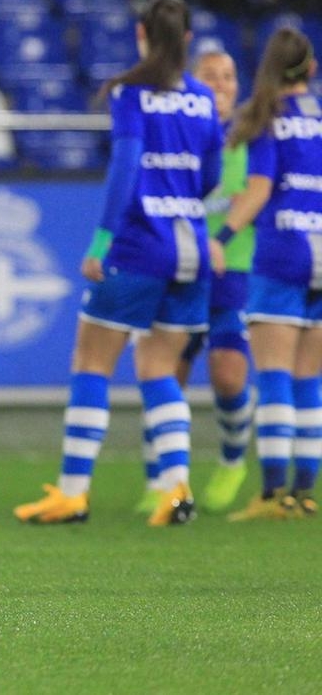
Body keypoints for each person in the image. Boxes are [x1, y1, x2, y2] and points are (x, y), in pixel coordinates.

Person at [15, 0, 221, 528]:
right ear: (189, 41)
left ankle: (73, 493)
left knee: (91, 363)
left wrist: (102, 242)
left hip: (139, 246)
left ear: (141, 35)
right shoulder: (202, 100)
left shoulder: (131, 94)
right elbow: (212, 175)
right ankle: (176, 487)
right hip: (191, 247)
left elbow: (125, 169)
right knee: (159, 370)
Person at [136, 45, 256, 515]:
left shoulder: (252, 135)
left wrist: (222, 237)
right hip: (181, 263)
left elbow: (256, 195)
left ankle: (231, 461)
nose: (222, 85)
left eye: (228, 76)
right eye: (211, 77)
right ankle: (161, 476)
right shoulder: (178, 128)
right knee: (169, 372)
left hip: (235, 269)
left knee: (228, 376)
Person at [216, 27, 322, 520]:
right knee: (310, 380)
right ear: (311, 69)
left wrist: (220, 239)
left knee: (275, 376)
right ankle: (304, 494)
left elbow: (257, 191)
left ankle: (273, 492)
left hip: (282, 250)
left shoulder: (267, 119)